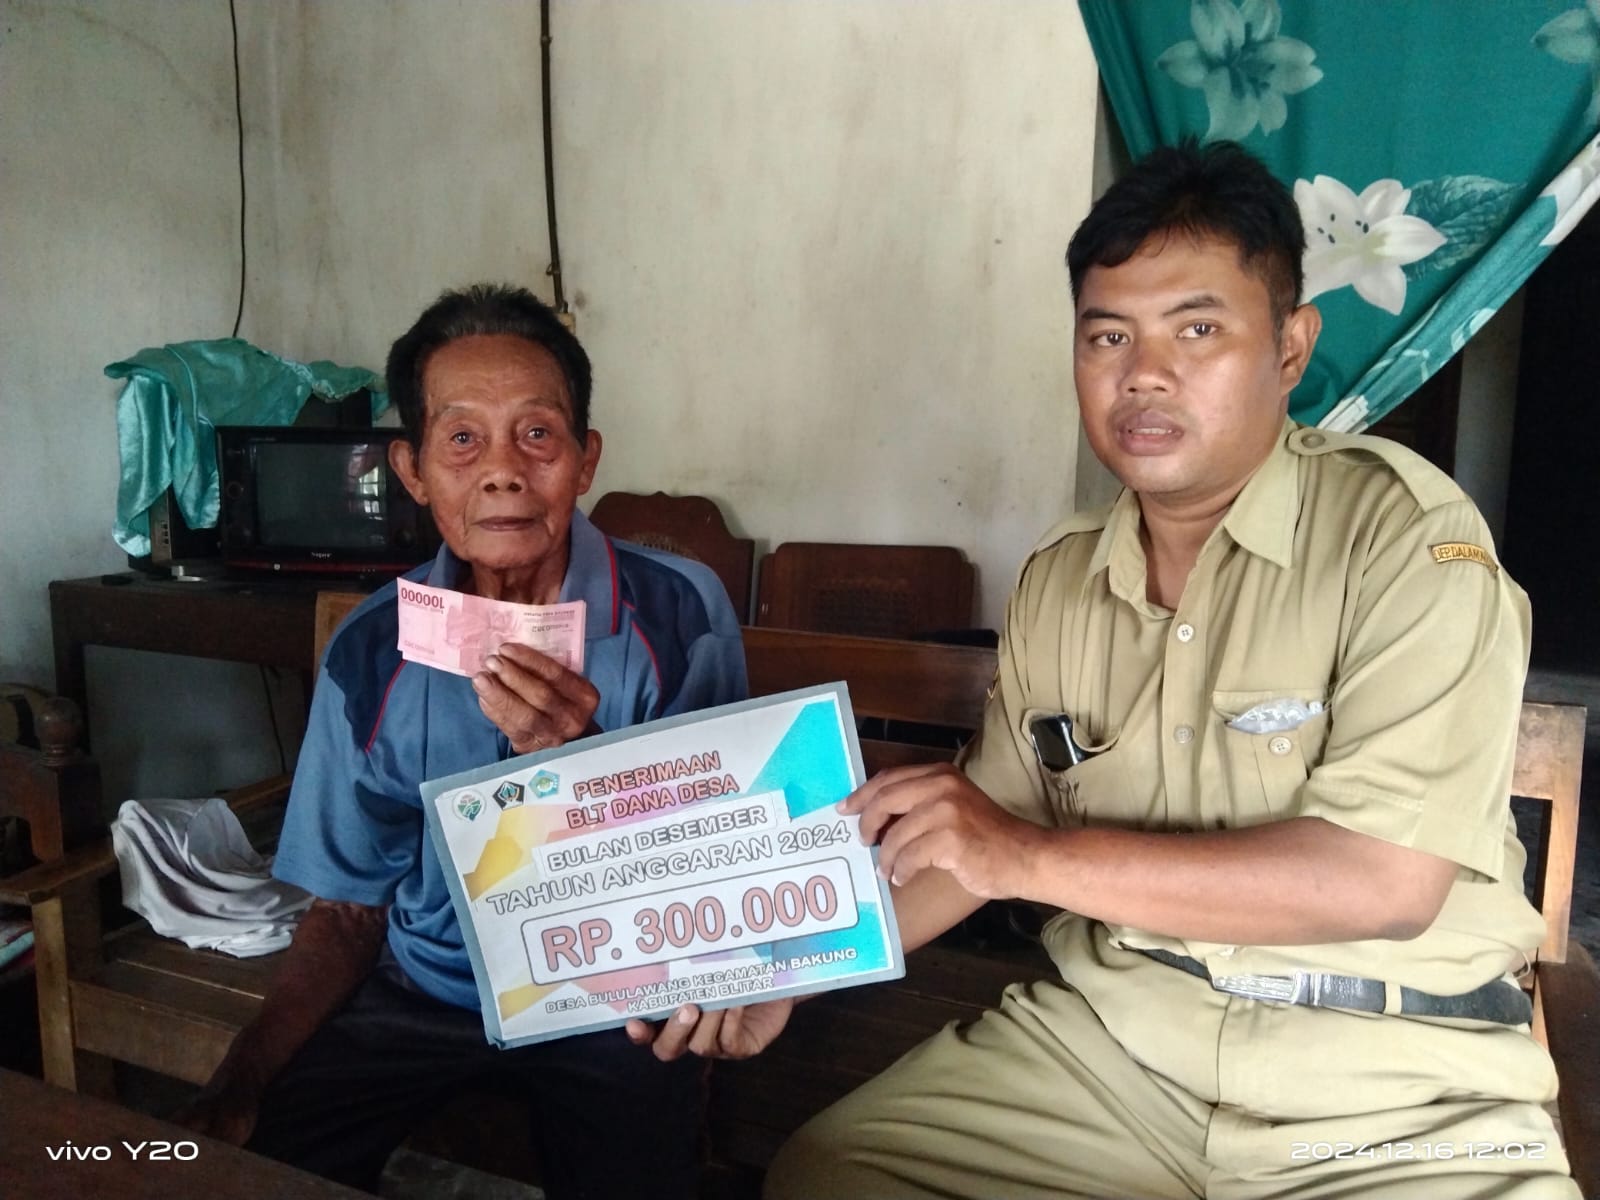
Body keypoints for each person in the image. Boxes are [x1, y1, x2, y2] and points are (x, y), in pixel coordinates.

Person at [632, 141, 1580, 1198]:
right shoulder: (1062, 575)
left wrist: (1026, 858)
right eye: (1108, 335)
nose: (1144, 373)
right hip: (1117, 1054)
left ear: (1290, 347)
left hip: (1396, 1086)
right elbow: (977, 831)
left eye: (1198, 329)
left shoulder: (1404, 542)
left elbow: (1384, 881)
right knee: (838, 1176)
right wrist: (790, 972)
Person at [184, 284, 747, 1198]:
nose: (502, 473)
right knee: (257, 1159)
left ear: (585, 459)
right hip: (425, 993)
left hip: (614, 1001)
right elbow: (349, 910)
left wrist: (581, 767)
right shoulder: (372, 648)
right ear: (411, 471)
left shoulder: (681, 613)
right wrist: (243, 1072)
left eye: (537, 434)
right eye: (461, 439)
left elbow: (721, 869)